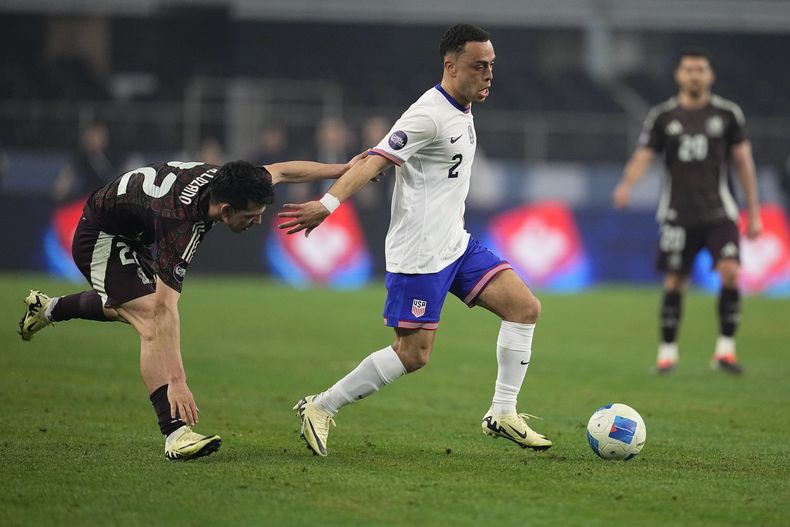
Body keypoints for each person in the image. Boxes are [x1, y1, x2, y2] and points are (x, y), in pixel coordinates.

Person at [279, 24, 551, 457]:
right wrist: (327, 205)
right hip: (420, 254)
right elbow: (373, 161)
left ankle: (502, 412)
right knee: (413, 355)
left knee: (524, 308)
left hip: (455, 244)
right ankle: (320, 406)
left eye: (492, 66)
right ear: (451, 66)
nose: (488, 75)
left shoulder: (461, 107)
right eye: (478, 67)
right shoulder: (428, 114)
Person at [19, 156, 364, 460]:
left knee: (132, 306)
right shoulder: (180, 224)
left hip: (131, 228)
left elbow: (281, 171)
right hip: (100, 234)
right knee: (151, 320)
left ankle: (49, 309)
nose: (258, 222)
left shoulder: (232, 182)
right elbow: (166, 310)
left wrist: (342, 169)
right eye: (251, 216)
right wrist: (177, 380)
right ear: (225, 210)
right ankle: (174, 433)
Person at [612, 50, 762, 375]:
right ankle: (667, 354)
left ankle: (725, 351)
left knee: (730, 272)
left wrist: (753, 210)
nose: (695, 75)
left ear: (710, 76)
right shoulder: (663, 116)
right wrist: (626, 185)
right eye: (689, 69)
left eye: (701, 70)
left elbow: (743, 162)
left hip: (720, 212)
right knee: (675, 281)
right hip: (677, 214)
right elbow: (644, 154)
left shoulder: (727, 114)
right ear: (679, 76)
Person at [52, 119, 115, 203]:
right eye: (93, 136)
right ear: (86, 138)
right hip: (85, 203)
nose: (96, 140)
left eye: (100, 136)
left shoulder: (114, 159)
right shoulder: (79, 161)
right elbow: (60, 189)